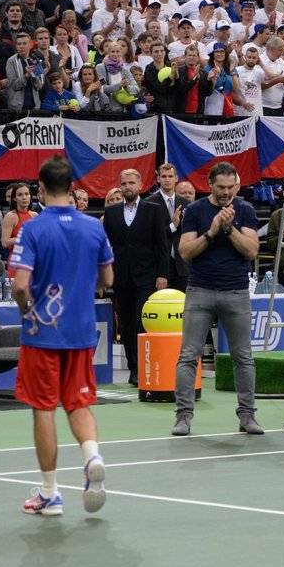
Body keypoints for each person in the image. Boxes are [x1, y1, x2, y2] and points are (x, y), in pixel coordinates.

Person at [11, 155, 112, 516]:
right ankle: (92, 455)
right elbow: (108, 280)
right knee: (78, 402)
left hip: (42, 334)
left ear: (40, 188)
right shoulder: (93, 227)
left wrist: (25, 310)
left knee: (43, 410)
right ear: (71, 187)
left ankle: (50, 493)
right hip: (82, 332)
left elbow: (21, 285)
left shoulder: (33, 229)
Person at [172, 162, 262, 436]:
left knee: (243, 358)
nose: (226, 193)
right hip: (200, 291)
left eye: (230, 187)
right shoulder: (196, 211)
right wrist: (211, 231)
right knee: (188, 356)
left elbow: (251, 251)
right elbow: (186, 252)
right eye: (221, 187)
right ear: (209, 184)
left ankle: (247, 417)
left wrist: (229, 228)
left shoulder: (244, 210)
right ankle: (183, 417)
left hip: (236, 292)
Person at [101, 169, 170, 386]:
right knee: (127, 325)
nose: (127, 187)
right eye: (124, 183)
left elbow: (162, 245)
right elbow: (105, 248)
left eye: (131, 182)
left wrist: (162, 274)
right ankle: (134, 369)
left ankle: (145, 366)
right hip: (121, 277)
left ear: (140, 185)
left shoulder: (154, 210)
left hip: (147, 277)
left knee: (142, 322)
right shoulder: (111, 212)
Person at [143, 163, 191, 291]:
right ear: (158, 179)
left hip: (183, 267)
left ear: (176, 178)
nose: (167, 179)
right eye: (163, 176)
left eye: (170, 176)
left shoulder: (187, 203)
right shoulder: (148, 203)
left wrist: (186, 224)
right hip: (158, 267)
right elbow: (148, 235)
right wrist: (173, 226)